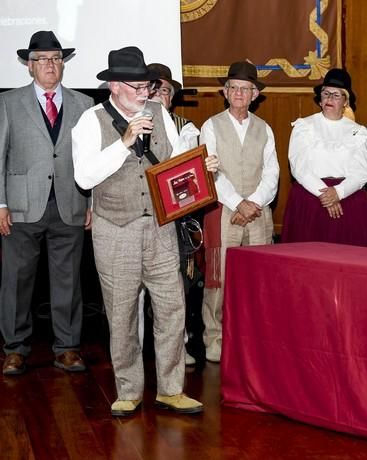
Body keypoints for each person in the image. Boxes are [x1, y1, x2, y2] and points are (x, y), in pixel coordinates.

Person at [71, 46, 218, 416]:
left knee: (172, 308)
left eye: (147, 86)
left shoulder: (160, 113)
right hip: (114, 229)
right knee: (121, 314)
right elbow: (84, 176)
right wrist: (123, 143)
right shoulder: (90, 121)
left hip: (160, 227)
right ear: (114, 87)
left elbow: (171, 161)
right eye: (137, 87)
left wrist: (200, 165)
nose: (145, 93)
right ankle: (129, 390)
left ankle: (170, 388)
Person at [0, 31, 93, 376]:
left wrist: (92, 202)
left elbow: (89, 158)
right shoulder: (9, 103)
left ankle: (67, 348)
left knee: (68, 280)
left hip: (70, 204)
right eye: (42, 59)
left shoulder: (83, 104)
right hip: (22, 206)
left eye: (56, 58)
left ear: (63, 64)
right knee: (17, 281)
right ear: (29, 66)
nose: (50, 65)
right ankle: (15, 349)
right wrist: (0, 204)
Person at [200, 61, 279, 363]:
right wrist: (237, 203)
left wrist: (254, 203)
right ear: (225, 91)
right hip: (224, 211)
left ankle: (253, 335)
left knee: (257, 279)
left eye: (246, 89)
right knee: (218, 279)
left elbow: (272, 172)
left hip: (259, 215)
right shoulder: (211, 126)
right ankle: (215, 338)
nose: (239, 93)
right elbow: (211, 171)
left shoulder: (264, 129)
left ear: (255, 94)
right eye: (234, 87)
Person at [281, 68, 367, 247]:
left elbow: (363, 171)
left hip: (348, 202)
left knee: (346, 261)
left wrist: (338, 192)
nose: (330, 98)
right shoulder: (304, 126)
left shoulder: (358, 132)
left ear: (346, 101)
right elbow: (299, 166)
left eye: (336, 95)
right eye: (326, 93)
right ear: (320, 99)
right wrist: (326, 195)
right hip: (309, 201)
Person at [144, 62, 198, 367]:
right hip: (134, 220)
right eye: (151, 88)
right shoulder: (127, 123)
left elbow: (189, 179)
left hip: (172, 221)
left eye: (163, 90)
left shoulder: (186, 128)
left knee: (177, 286)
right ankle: (136, 347)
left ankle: (179, 347)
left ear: (171, 97)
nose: (156, 94)